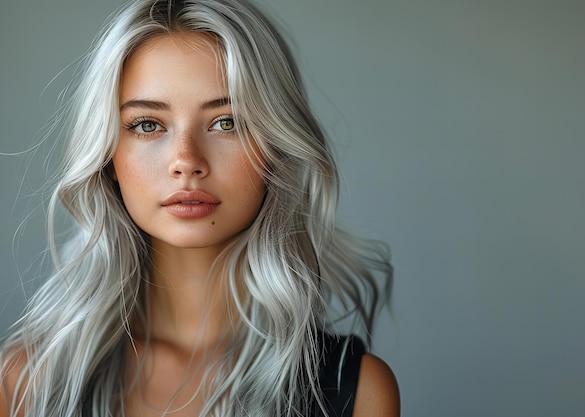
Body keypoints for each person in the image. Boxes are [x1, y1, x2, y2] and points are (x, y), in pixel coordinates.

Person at [0, 0, 399, 416]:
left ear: (276, 148)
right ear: (107, 155)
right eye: (148, 124)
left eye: (227, 122)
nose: (186, 160)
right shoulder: (24, 382)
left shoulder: (355, 391)